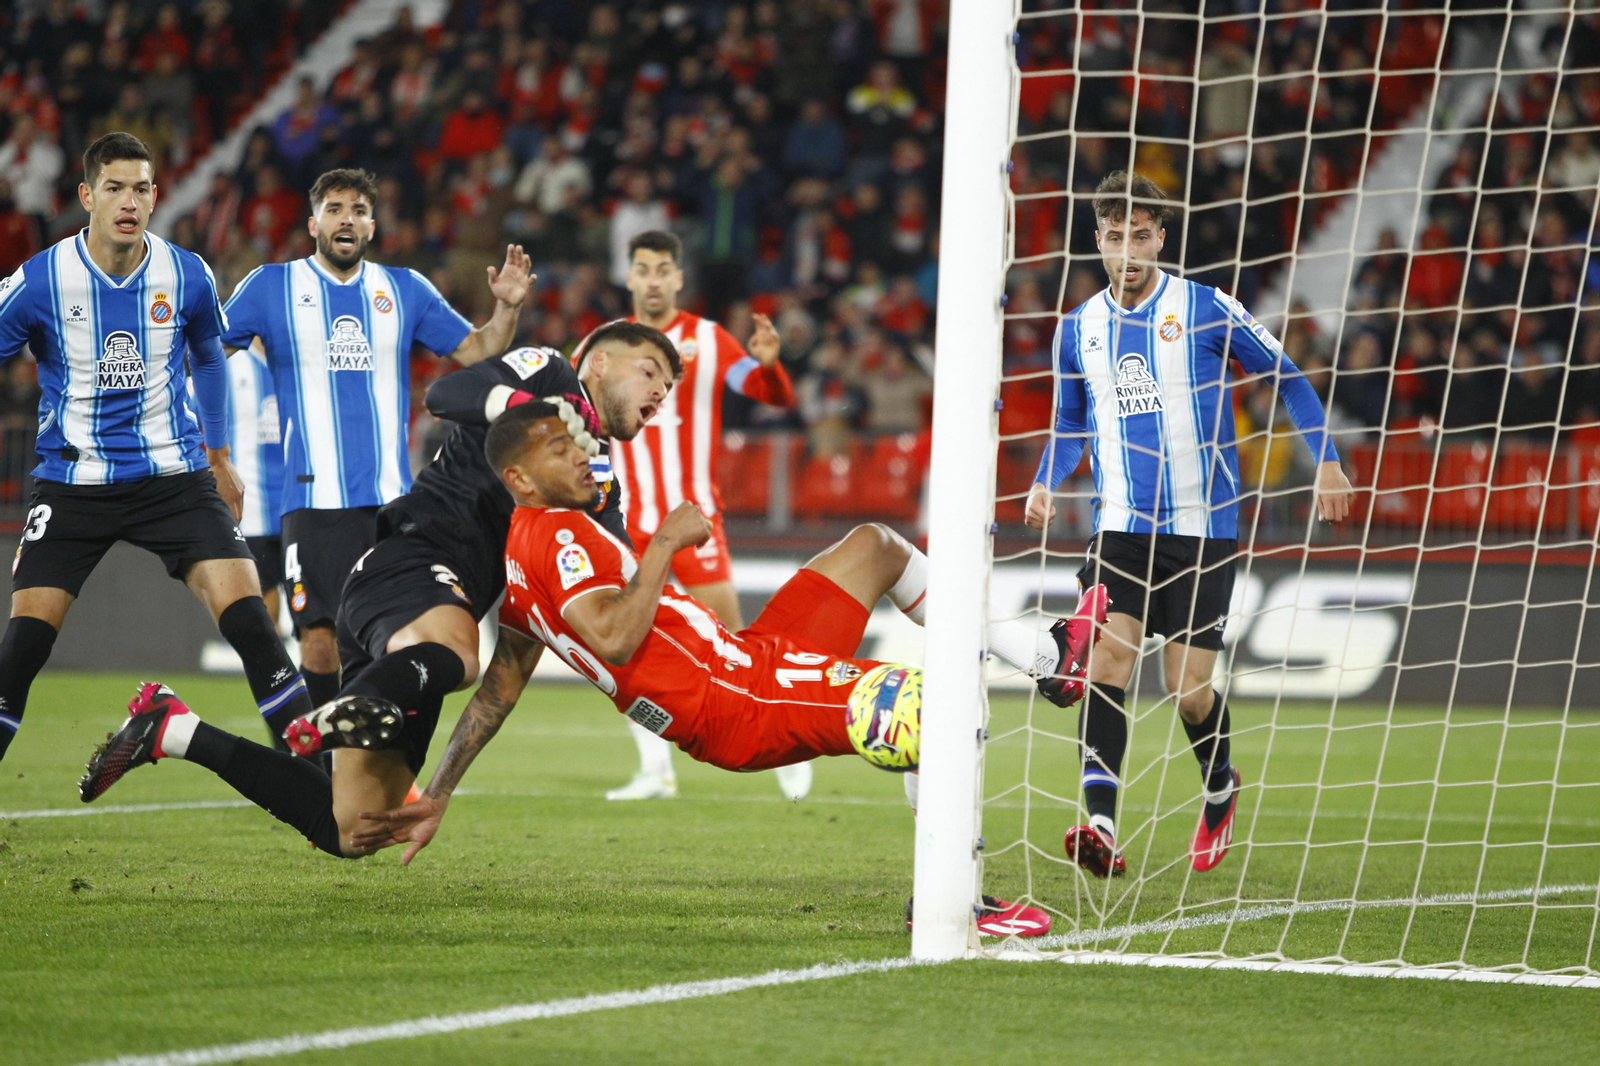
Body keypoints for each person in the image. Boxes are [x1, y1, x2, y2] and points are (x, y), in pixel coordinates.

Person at [354, 401, 1055, 937]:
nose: (580, 456)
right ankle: (952, 901)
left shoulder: (525, 556)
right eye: (559, 450)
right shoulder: (558, 535)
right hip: (734, 701)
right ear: (518, 479)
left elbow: (498, 687)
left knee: (874, 547)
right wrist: (664, 542)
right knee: (924, 711)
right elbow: (615, 637)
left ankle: (1041, 656)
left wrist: (440, 789)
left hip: (747, 657)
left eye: (575, 442)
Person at [79, 322, 679, 862]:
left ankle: (173, 730)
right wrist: (527, 406)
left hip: (423, 625)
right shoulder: (547, 371)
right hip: (409, 561)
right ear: (597, 361)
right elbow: (445, 395)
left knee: (356, 829)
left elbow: (517, 669)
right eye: (650, 370)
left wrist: (438, 795)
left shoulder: (596, 494)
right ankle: (353, 702)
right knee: (460, 650)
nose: (659, 391)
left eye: (669, 388)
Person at [1024, 171, 1355, 878]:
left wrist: (1325, 460)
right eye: (1115, 237)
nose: (1128, 251)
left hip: (1204, 530)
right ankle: (1102, 826)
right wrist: (1047, 481)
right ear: (1099, 241)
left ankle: (1219, 787)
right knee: (1108, 663)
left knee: (1187, 689)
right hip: (1119, 527)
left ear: (1161, 236)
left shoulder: (1206, 308)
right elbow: (1069, 421)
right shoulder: (1077, 328)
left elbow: (1289, 378)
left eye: (1140, 236)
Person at [0, 132, 314, 761]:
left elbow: (209, 359)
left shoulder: (186, 273)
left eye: (141, 188)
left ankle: (325, 784)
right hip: (73, 482)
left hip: (174, 477)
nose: (129, 201)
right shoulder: (41, 281)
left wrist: (220, 459)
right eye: (114, 187)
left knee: (252, 621)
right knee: (25, 646)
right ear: (88, 195)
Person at [221, 168, 534, 709]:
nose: (348, 218)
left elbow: (479, 352)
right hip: (312, 499)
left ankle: (371, 763)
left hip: (392, 505)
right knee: (319, 643)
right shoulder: (271, 286)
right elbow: (206, 357)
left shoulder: (404, 289)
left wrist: (506, 307)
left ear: (372, 225)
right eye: (336, 208)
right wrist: (210, 449)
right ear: (314, 221)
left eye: (359, 210)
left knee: (387, 639)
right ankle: (322, 769)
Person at [607, 229, 804, 802]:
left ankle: (783, 751)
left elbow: (769, 394)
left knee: (734, 642)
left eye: (662, 268)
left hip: (696, 519)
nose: (652, 279)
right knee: (624, 647)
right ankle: (654, 770)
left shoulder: (709, 339)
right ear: (630, 276)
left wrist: (770, 368)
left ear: (678, 277)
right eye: (642, 269)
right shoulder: (607, 343)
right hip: (629, 522)